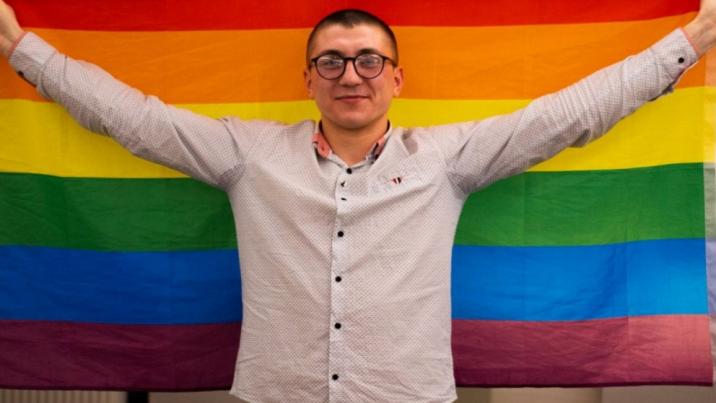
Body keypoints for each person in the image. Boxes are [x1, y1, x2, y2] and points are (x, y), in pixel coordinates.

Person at [1, 2, 715, 402]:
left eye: (370, 59)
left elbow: (567, 115)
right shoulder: (247, 154)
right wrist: (20, 48)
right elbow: (134, 118)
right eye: (332, 61)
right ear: (308, 78)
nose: (352, 74)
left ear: (396, 79)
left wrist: (692, 40)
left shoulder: (446, 159)